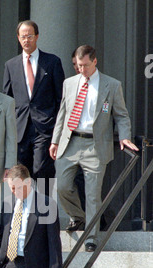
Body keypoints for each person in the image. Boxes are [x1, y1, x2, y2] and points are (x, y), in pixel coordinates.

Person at [50, 45, 139, 252]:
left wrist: (124, 137)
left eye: (85, 65)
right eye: (79, 65)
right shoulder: (69, 83)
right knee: (62, 187)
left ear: (95, 62)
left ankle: (91, 238)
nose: (81, 69)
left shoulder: (111, 85)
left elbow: (121, 115)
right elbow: (62, 114)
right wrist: (55, 141)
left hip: (95, 145)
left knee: (92, 195)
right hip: (70, 142)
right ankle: (79, 217)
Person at [3, 20, 65, 196]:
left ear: (37, 36)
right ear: (18, 38)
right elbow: (8, 100)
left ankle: (46, 212)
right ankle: (24, 213)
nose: (26, 40)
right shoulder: (11, 65)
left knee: (41, 170)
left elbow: (61, 98)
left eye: (30, 36)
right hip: (20, 128)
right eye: (23, 37)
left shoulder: (52, 62)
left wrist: (57, 129)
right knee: (21, 173)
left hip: (44, 128)